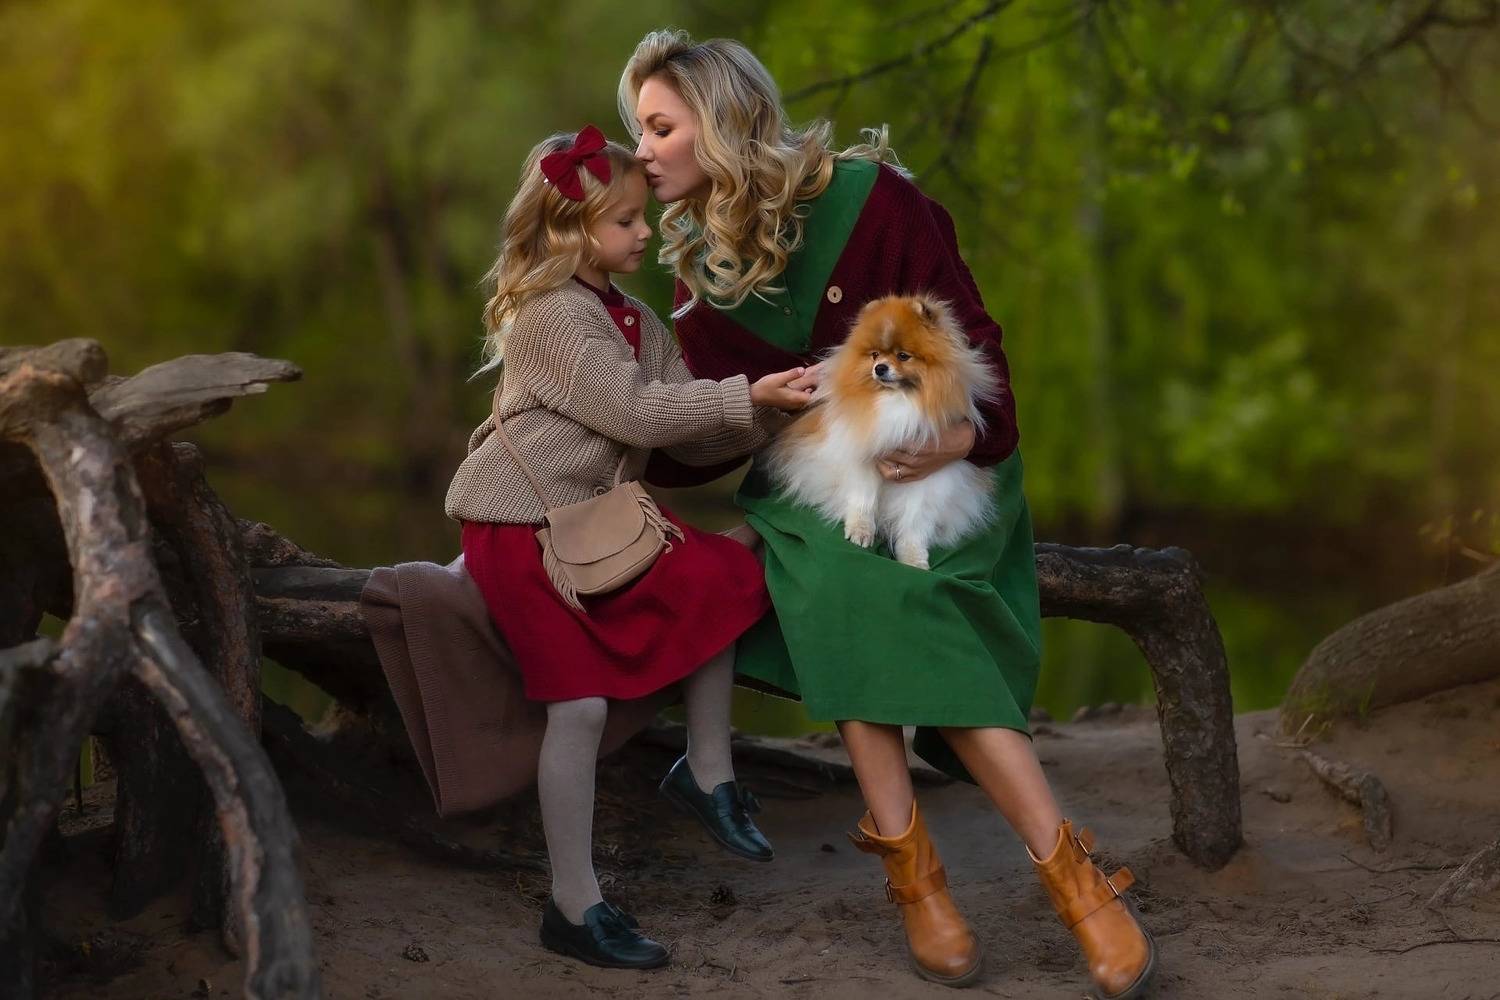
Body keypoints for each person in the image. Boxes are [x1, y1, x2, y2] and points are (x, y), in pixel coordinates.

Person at [617, 32, 1157, 999]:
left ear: (723, 121)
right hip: (819, 490)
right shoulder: (698, 277)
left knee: (906, 597)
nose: (643, 151)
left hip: (951, 470)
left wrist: (959, 440)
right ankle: (920, 879)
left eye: (660, 127)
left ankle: (1070, 877)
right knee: (842, 583)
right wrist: (725, 403)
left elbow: (977, 341)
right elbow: (681, 450)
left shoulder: (873, 201)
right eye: (638, 131)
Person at [444, 124, 811, 970]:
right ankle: (574, 906)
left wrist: (774, 410)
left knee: (721, 577)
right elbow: (636, 414)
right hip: (519, 528)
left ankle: (707, 771)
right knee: (578, 708)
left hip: (596, 519)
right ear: (569, 231)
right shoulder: (550, 316)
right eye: (625, 221)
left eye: (644, 215)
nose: (646, 232)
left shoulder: (636, 317)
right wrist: (745, 395)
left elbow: (690, 428)